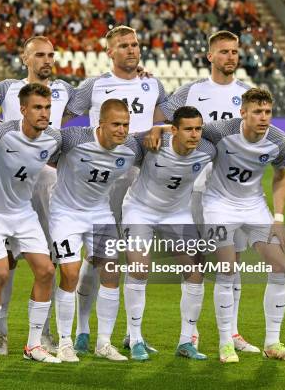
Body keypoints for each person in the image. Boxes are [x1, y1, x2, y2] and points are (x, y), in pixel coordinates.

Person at [151, 88, 285, 363]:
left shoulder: (279, 140)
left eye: (267, 112)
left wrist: (278, 218)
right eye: (257, 112)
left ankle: (273, 342)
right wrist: (160, 129)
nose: (263, 117)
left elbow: (281, 176)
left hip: (255, 206)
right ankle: (225, 343)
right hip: (218, 206)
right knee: (227, 269)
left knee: (280, 266)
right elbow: (187, 130)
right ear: (243, 113)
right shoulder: (221, 131)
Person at [64, 25, 167, 355]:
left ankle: (132, 334)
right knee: (96, 258)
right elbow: (63, 118)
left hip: (142, 179)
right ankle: (82, 330)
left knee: (136, 258)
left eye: (135, 44)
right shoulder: (94, 85)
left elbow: (163, 121)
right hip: (101, 181)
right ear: (109, 52)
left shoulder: (153, 84)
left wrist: (158, 129)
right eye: (123, 45)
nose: (131, 50)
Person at [157, 30, 258, 354]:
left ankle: (233, 334)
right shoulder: (192, 91)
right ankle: (190, 336)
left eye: (235, 51)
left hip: (232, 192)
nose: (231, 57)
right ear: (210, 56)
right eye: (224, 51)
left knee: (232, 263)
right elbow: (161, 120)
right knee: (195, 263)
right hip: (196, 190)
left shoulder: (246, 94)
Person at [0, 83, 62, 365]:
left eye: (48, 108)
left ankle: (33, 345)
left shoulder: (53, 138)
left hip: (22, 212)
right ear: (23, 109)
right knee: (0, 274)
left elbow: (86, 140)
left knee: (46, 271)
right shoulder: (0, 131)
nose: (44, 113)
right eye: (38, 108)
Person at [0, 36, 76, 355]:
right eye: (39, 55)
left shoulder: (67, 90)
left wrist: (141, 76)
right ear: (25, 58)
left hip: (51, 181)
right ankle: (0, 332)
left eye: (51, 55)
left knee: (52, 257)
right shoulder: (5, 89)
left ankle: (46, 331)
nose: (46, 60)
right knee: (8, 258)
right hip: (13, 183)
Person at [48, 99, 144, 362]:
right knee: (68, 273)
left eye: (126, 124)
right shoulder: (73, 138)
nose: (122, 130)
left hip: (100, 214)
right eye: (115, 124)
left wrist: (161, 130)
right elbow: (39, 146)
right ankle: (65, 343)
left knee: (112, 273)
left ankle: (104, 343)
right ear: (100, 124)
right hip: (65, 213)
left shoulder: (132, 147)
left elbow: (157, 138)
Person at [121, 106, 216, 361]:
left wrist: (160, 126)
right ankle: (135, 338)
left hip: (177, 214)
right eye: (188, 129)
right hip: (140, 210)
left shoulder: (207, 150)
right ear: (174, 130)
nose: (194, 135)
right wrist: (156, 129)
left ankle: (186, 342)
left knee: (196, 270)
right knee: (140, 267)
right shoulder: (153, 143)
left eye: (198, 129)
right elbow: (123, 139)